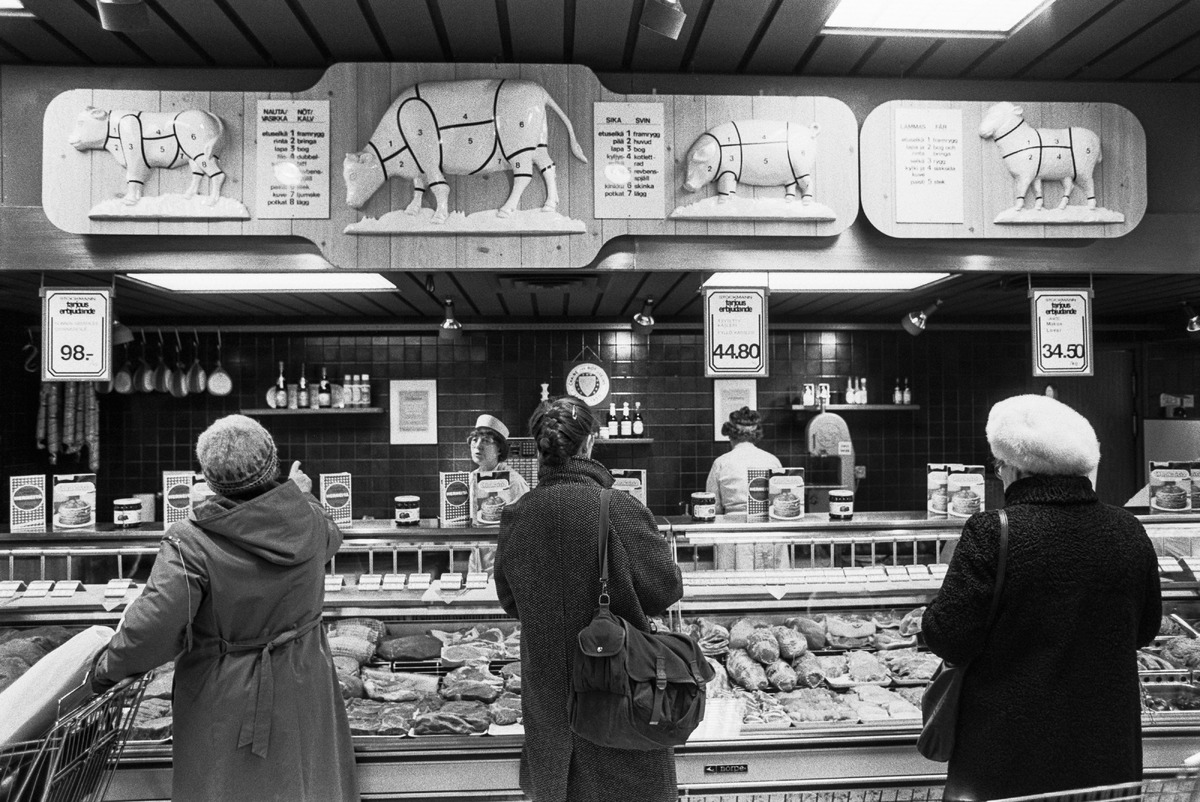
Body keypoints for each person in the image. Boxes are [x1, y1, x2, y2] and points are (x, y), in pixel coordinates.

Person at [91, 414, 358, 802]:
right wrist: (301, 495)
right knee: (305, 783)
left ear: (208, 479)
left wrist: (105, 670)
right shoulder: (311, 519)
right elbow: (330, 535)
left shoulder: (190, 540)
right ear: (274, 463)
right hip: (307, 679)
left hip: (226, 695)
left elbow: (153, 628)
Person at [923, 394, 1161, 801]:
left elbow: (950, 638)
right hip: (1105, 751)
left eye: (999, 466)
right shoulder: (1127, 529)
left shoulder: (993, 530)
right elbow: (1145, 630)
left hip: (1009, 753)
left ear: (1017, 468)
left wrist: (931, 614)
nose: (1000, 474)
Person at [494, 396, 683, 802]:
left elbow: (510, 600)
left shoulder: (518, 514)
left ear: (541, 447)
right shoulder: (620, 507)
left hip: (549, 699)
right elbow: (664, 590)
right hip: (621, 698)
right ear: (590, 443)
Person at [467, 413, 530, 574]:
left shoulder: (514, 481)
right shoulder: (471, 479)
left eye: (486, 441)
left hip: (506, 564)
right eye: (475, 439)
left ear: (499, 449)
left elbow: (526, 528)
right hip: (477, 562)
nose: (478, 446)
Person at [705, 406, 782, 515]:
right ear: (756, 435)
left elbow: (713, 505)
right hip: (765, 521)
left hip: (731, 521)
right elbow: (780, 501)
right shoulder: (772, 461)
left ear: (730, 435)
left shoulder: (721, 463)